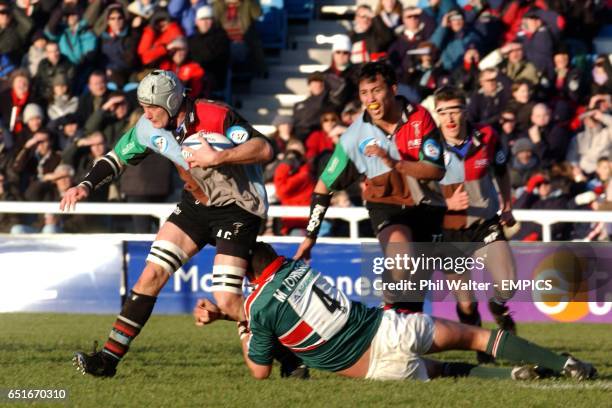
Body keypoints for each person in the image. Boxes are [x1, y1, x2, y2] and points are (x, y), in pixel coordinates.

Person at [64, 70, 276, 377]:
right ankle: (107, 360)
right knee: (151, 274)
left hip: (239, 207)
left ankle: (288, 349)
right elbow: (115, 158)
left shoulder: (214, 115)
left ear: (173, 101)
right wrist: (85, 185)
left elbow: (264, 148)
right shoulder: (149, 127)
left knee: (228, 301)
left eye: (152, 106)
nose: (146, 113)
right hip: (197, 205)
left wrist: (220, 157)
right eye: (142, 106)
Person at [194, 242, 597, 381]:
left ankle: (508, 376)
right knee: (477, 337)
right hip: (391, 328)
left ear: (243, 273)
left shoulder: (257, 309)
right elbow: (284, 304)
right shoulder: (298, 267)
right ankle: (563, 363)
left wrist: (240, 325)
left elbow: (259, 369)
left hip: (372, 369)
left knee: (439, 374)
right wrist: (235, 312)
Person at [295, 61, 446, 313]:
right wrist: (311, 235)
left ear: (393, 89)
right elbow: (323, 186)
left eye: (376, 90)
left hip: (426, 207)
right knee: (401, 256)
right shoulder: (355, 135)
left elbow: (436, 170)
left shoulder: (420, 118)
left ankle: (399, 330)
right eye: (364, 93)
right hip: (386, 205)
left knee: (413, 300)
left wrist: (394, 163)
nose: (370, 99)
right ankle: (386, 307)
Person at [433, 86, 518, 363]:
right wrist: (445, 205)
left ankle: (498, 309)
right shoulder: (429, 145)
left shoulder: (487, 136)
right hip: (450, 229)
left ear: (465, 111)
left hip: (485, 224)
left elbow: (502, 171)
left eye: (455, 110)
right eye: (443, 112)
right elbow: (416, 188)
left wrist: (507, 205)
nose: (450, 118)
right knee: (466, 302)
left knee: (507, 284)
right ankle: (482, 345)